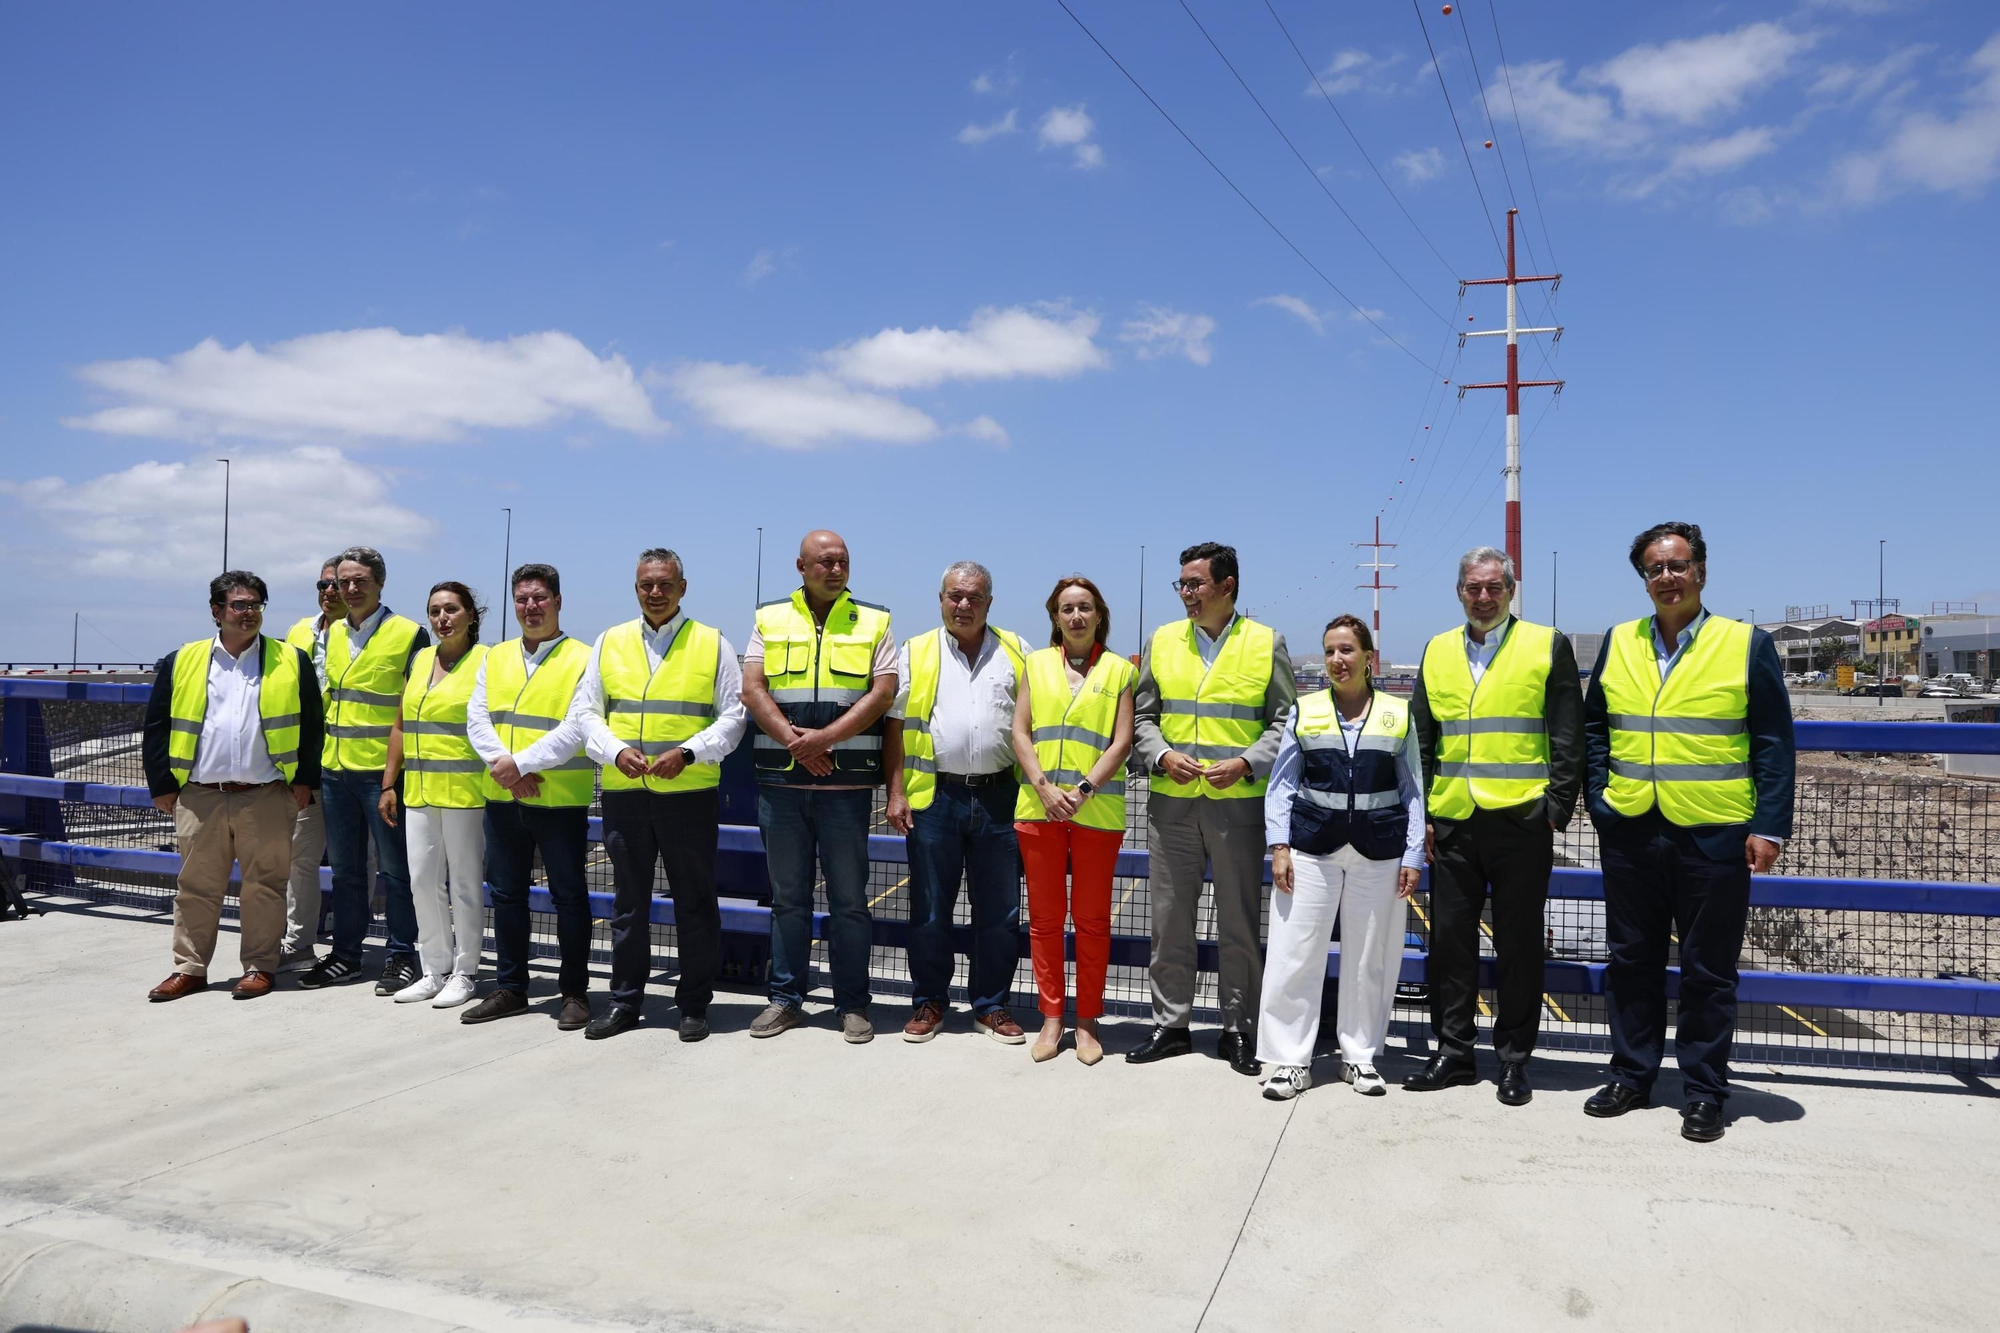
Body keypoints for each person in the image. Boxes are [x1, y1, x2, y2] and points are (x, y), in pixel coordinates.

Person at [1582, 521, 1795, 1143]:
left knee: (1709, 969)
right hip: (1630, 828)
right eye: (1654, 568)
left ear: (1701, 571)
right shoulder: (1619, 641)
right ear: (1643, 579)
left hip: (1713, 832)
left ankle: (1704, 1090)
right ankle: (1631, 1075)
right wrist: (1600, 800)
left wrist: (1770, 826)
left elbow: (1775, 741)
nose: (1666, 577)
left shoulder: (1744, 642)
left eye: (1677, 565)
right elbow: (1597, 727)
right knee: (1631, 961)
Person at [1404, 547, 1584, 1106]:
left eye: (1494, 588)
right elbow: (1423, 739)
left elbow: (1567, 732)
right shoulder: (1436, 650)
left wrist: (1556, 806)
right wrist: (1427, 813)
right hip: (1454, 820)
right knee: (1450, 945)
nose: (1484, 597)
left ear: (1511, 590)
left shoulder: (1545, 644)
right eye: (1473, 588)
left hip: (1522, 820)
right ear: (1459, 591)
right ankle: (1454, 1052)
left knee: (1519, 945)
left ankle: (1513, 1059)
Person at [558, 549, 747, 1044]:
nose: (655, 593)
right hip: (625, 794)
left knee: (695, 903)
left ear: (683, 587)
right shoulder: (610, 641)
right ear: (636, 588)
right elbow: (586, 712)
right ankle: (625, 1002)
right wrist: (615, 751)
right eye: (646, 585)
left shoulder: (712, 643)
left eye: (665, 584)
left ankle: (693, 1005)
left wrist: (688, 752)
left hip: (688, 795)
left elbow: (733, 718)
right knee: (628, 905)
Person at [1129, 541, 1296, 1074]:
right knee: (1169, 922)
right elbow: (1142, 718)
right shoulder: (1161, 641)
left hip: (1237, 808)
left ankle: (1237, 1029)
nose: (1186, 594)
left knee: (1239, 925)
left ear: (1227, 586)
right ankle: (1171, 1024)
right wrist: (1161, 755)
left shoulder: (1266, 643)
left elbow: (1285, 724)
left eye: (1195, 584)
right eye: (1181, 584)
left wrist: (1247, 763)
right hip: (1172, 807)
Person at [1255, 616, 1423, 1099]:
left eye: (1347, 650)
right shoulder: (1304, 711)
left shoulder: (1397, 713)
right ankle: (1289, 1061)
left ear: (1369, 658)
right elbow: (1282, 783)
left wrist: (1412, 852)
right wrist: (1280, 846)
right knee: (1294, 954)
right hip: (1311, 850)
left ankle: (1360, 1057)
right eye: (1329, 651)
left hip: (1379, 852)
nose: (1337, 660)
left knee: (1371, 957)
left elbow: (1413, 789)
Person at [740, 529, 897, 1043]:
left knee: (851, 902)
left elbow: (883, 692)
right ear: (801, 566)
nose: (835, 569)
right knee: (788, 899)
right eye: (825, 561)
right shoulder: (768, 618)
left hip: (847, 791)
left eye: (843, 561)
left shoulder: (875, 620)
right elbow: (752, 687)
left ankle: (852, 1004)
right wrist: (794, 743)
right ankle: (785, 999)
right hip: (781, 787)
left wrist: (825, 739)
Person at [141, 571, 323, 1000]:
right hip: (200, 794)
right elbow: (157, 725)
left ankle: (260, 966)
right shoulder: (182, 659)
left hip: (266, 794)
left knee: (266, 886)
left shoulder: (289, 659)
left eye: (256, 604)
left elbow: (313, 726)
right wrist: (162, 784)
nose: (249, 612)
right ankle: (190, 968)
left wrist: (304, 781)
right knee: (196, 888)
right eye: (239, 605)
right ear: (216, 611)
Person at [884, 562, 1030, 1046]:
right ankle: (929, 1002)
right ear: (940, 598)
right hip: (936, 797)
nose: (963, 605)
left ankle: (990, 1005)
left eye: (973, 597)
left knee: (1001, 911)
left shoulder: (1017, 651)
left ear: (989, 601)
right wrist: (897, 790)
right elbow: (895, 725)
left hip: (1001, 797)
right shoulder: (916, 651)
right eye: (954, 596)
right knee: (929, 910)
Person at [460, 563, 599, 1030]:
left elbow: (578, 726)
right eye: (522, 599)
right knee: (506, 894)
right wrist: (508, 769)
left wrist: (521, 765)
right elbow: (477, 717)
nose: (530, 607)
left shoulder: (584, 656)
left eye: (539, 597)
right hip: (503, 799)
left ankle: (575, 993)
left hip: (558, 800)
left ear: (558, 601)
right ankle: (511, 987)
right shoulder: (495, 656)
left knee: (569, 897)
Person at [1011, 574, 1135, 1065]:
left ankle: (1087, 1022)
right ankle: (1051, 1018)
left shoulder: (1121, 671)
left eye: (1085, 607)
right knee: (1043, 921)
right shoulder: (1034, 664)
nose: (1077, 616)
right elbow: (1021, 732)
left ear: (1099, 614)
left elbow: (1121, 741)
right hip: (1037, 810)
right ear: (1055, 618)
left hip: (1095, 812)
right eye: (1067, 609)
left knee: (1091, 921)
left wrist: (1082, 791)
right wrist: (1043, 786)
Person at [299, 547, 430, 994]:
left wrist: (393, 780)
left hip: (382, 775)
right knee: (347, 872)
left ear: (379, 584)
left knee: (396, 872)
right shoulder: (333, 634)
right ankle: (346, 956)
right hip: (336, 772)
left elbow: (410, 710)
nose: (350, 589)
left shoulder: (409, 634)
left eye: (360, 581)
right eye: (342, 582)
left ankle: (400, 955)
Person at [378, 582, 489, 1008]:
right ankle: (433, 969)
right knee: (422, 881)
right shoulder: (422, 658)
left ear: (470, 616)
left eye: (452, 609)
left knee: (463, 885)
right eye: (435, 611)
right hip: (419, 792)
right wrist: (390, 782)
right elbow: (401, 725)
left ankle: (465, 971)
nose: (443, 618)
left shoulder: (487, 661)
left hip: (466, 792)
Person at [276, 558, 343, 972]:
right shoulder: (298, 632)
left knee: (361, 864)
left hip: (354, 765)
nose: (330, 591)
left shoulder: (363, 635)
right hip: (305, 766)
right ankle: (298, 942)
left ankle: (353, 943)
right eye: (323, 583)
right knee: (299, 857)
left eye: (339, 584)